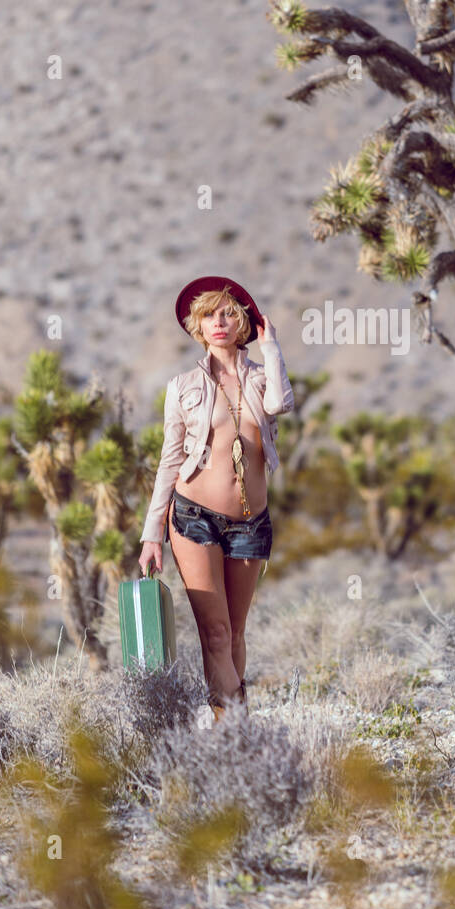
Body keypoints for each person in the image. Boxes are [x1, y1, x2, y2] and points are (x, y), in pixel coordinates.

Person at [138, 276, 294, 719]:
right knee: (218, 633)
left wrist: (272, 348)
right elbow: (169, 461)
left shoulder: (263, 378)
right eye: (208, 315)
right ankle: (234, 731)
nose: (219, 322)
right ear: (197, 326)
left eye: (227, 312)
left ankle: (229, 728)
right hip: (193, 518)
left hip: (251, 521)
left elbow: (282, 404)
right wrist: (153, 534)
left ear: (244, 321)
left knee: (238, 632)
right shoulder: (182, 385)